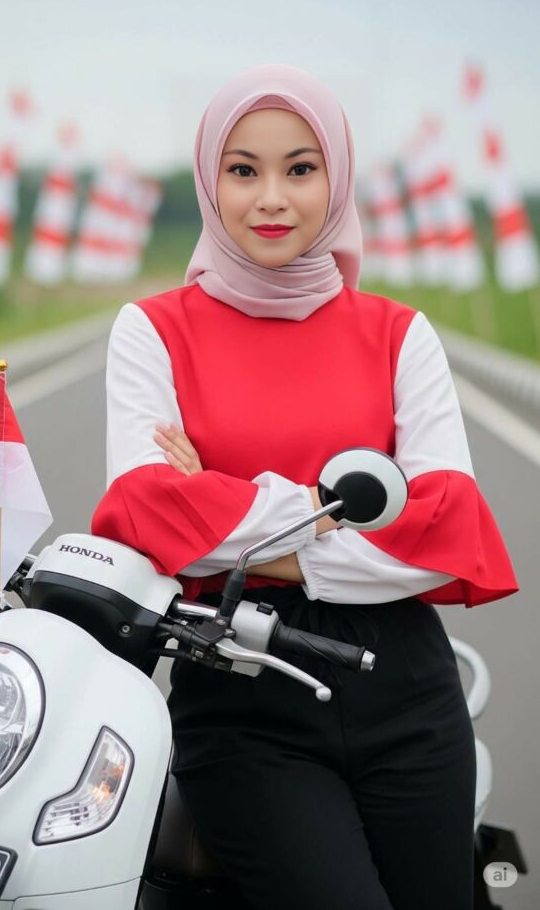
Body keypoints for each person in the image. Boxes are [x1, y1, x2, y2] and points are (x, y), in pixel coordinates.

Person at [91, 64, 518, 910]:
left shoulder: (400, 334)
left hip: (410, 696)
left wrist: (222, 505)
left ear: (337, 178)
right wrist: (339, 517)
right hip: (244, 693)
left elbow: (448, 523)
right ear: (210, 180)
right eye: (243, 169)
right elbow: (143, 510)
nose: (271, 198)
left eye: (300, 168)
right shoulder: (152, 331)